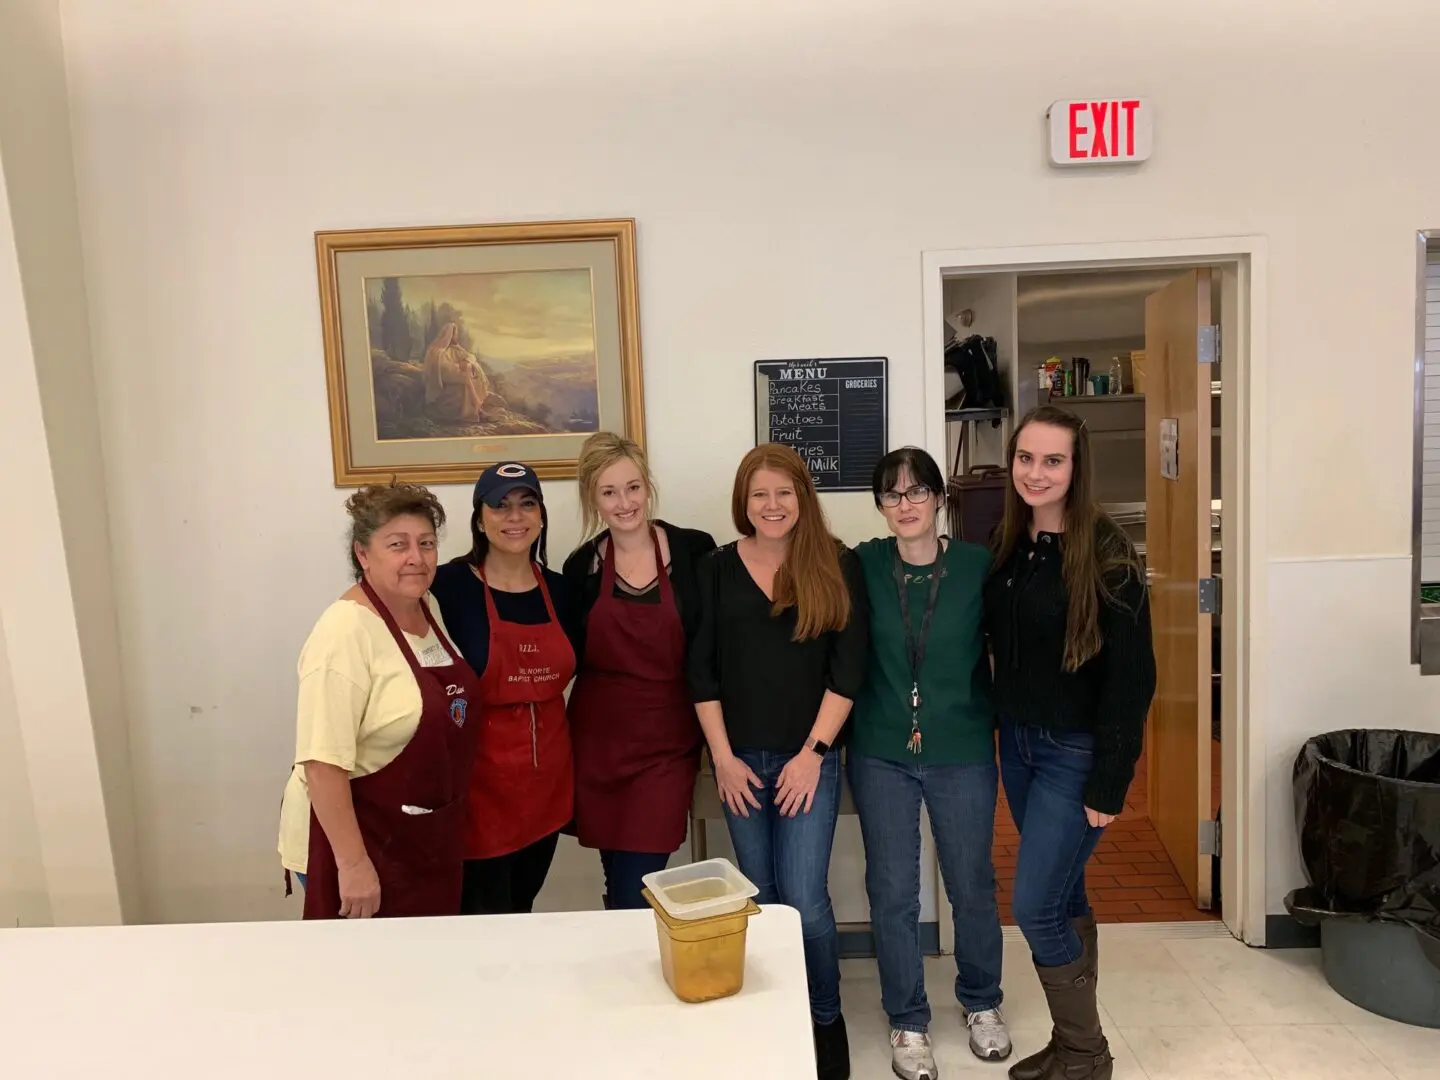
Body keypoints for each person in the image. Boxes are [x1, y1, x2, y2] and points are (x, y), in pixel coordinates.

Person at [983, 406, 1156, 1080]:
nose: (1036, 472)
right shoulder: (1010, 540)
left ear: (1076, 468)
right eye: (1026, 458)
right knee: (1064, 895)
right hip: (1019, 748)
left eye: (1052, 460)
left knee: (1032, 906)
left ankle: (1087, 1054)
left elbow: (1133, 676)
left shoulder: (1108, 552)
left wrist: (1112, 779)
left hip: (1075, 753)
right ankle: (1070, 1040)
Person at [689, 443, 868, 1080]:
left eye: (784, 493)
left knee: (805, 900)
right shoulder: (713, 568)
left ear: (803, 498)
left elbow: (848, 673)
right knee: (757, 897)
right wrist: (724, 759)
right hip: (738, 763)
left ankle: (823, 1020)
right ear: (745, 500)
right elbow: (701, 672)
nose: (772, 505)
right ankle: (769, 1020)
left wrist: (812, 756)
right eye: (760, 494)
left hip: (807, 764)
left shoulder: (836, 564)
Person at [849, 447, 1010, 1079]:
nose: (906, 505)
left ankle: (981, 1001)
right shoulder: (862, 564)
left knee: (970, 882)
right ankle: (907, 1019)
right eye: (892, 495)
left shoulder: (976, 566)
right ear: (881, 507)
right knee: (892, 889)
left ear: (940, 499)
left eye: (918, 493)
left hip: (963, 747)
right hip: (881, 749)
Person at [277, 483, 480, 919]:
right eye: (397, 545)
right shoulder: (344, 632)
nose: (416, 557)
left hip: (419, 836)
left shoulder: (427, 606)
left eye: (426, 544)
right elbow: (322, 764)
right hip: (357, 843)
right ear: (363, 555)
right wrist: (352, 866)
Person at [562, 433, 717, 910]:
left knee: (637, 883)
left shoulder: (695, 551)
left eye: (632, 487)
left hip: (667, 744)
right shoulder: (581, 566)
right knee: (619, 881)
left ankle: (638, 971)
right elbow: (568, 654)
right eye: (609, 492)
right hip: (599, 745)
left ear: (647, 486)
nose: (624, 502)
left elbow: (712, 645)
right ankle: (628, 974)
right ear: (593, 498)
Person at [431, 461, 578, 915]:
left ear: (541, 515)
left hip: (546, 784)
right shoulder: (446, 587)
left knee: (521, 910)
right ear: (480, 518)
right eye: (500, 506)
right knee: (480, 918)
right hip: (480, 787)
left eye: (526, 504)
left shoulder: (562, 590)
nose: (515, 517)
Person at [423, 322, 489, 423]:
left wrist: (467, 363)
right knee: (465, 383)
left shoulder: (455, 349)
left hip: (460, 376)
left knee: (470, 374)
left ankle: (477, 409)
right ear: (449, 334)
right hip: (444, 382)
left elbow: (470, 356)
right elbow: (444, 370)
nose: (456, 336)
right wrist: (460, 369)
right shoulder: (437, 351)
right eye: (454, 334)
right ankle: (476, 409)